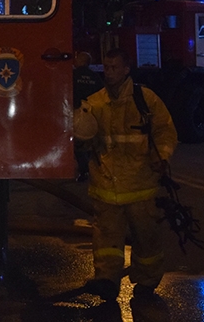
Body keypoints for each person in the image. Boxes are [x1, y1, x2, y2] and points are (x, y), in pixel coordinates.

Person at [76, 48, 178, 301]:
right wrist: (80, 134)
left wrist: (163, 156)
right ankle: (106, 280)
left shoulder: (145, 100)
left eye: (114, 68)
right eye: (106, 67)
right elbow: (86, 142)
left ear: (126, 69)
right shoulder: (94, 103)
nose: (109, 73)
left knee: (146, 238)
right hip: (105, 186)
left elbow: (165, 131)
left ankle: (147, 280)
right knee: (106, 239)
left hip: (140, 185)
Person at [73, 51, 104, 181]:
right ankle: (94, 167)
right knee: (91, 142)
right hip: (93, 113)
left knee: (78, 142)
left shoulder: (72, 75)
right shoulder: (95, 76)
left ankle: (84, 170)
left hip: (76, 113)